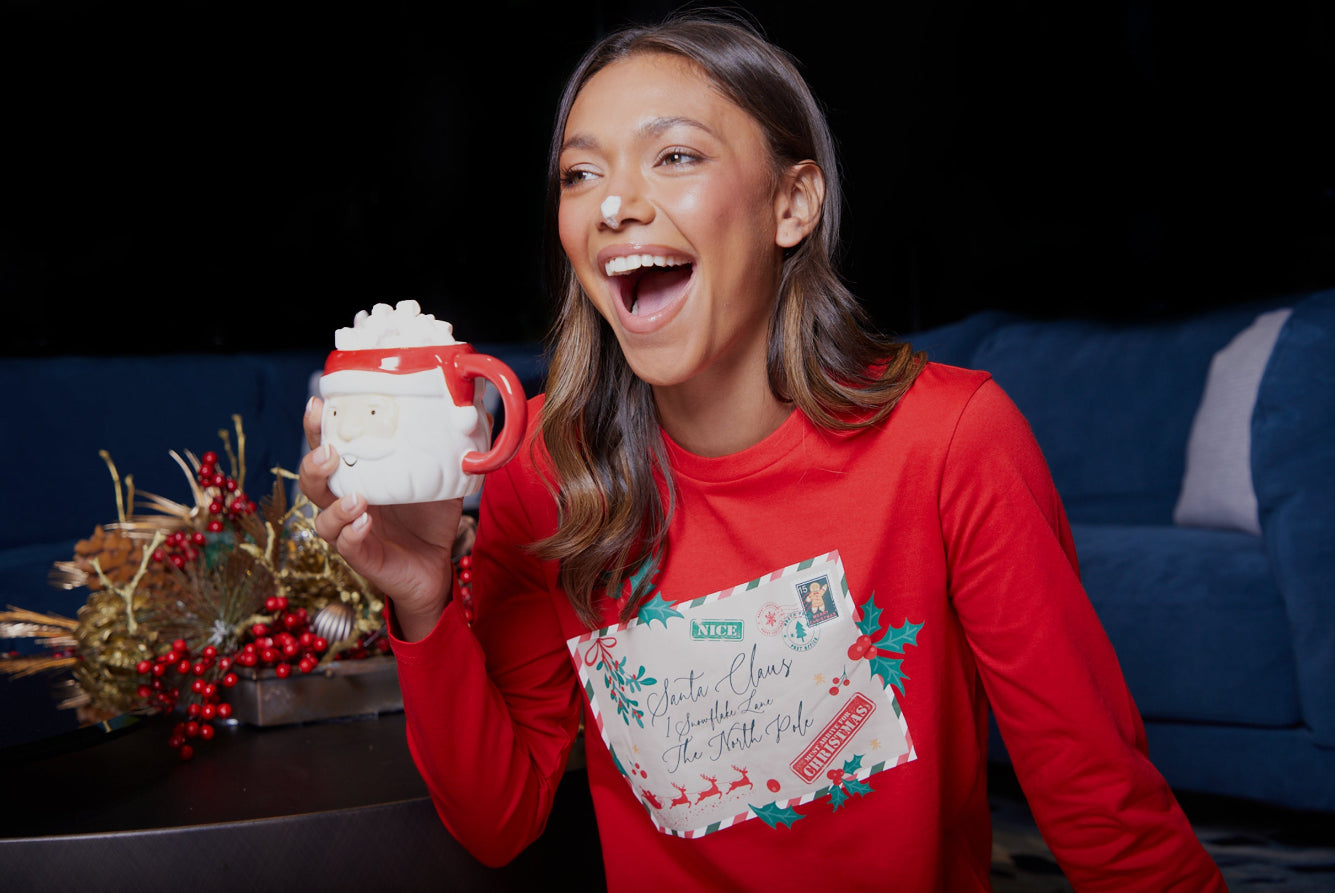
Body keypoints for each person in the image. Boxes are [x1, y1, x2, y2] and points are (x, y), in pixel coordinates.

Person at [299, 10, 1227, 891]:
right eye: (581, 175)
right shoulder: (545, 463)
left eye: (674, 157)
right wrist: (422, 597)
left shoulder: (948, 441)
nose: (617, 203)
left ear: (792, 203)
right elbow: (499, 819)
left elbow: (1101, 801)